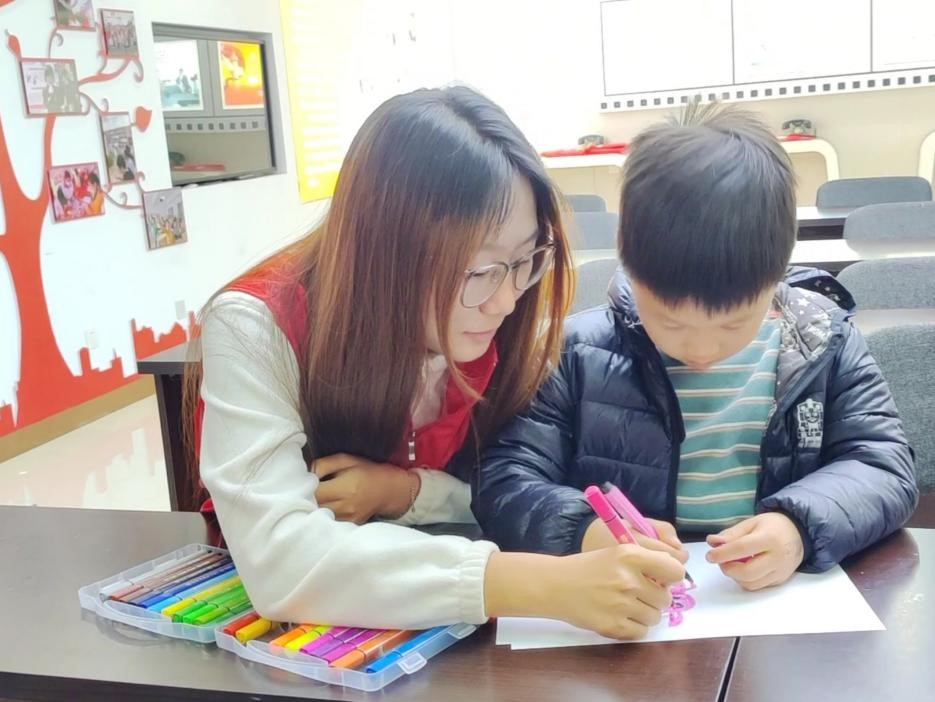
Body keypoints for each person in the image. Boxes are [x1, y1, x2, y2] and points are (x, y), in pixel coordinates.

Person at [183, 86, 685, 637]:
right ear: (383, 254)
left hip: (443, 631)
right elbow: (281, 560)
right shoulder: (254, 326)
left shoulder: (506, 321)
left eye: (526, 259)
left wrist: (409, 492)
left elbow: (510, 482)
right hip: (310, 647)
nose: (506, 300)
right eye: (478, 270)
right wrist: (537, 585)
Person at [473, 104, 918, 593]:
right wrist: (585, 531)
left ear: (776, 274)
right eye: (670, 321)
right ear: (628, 260)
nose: (702, 350)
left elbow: (882, 466)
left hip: (771, 599)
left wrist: (799, 526)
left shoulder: (823, 344)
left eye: (733, 324)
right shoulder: (576, 354)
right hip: (629, 600)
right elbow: (505, 480)